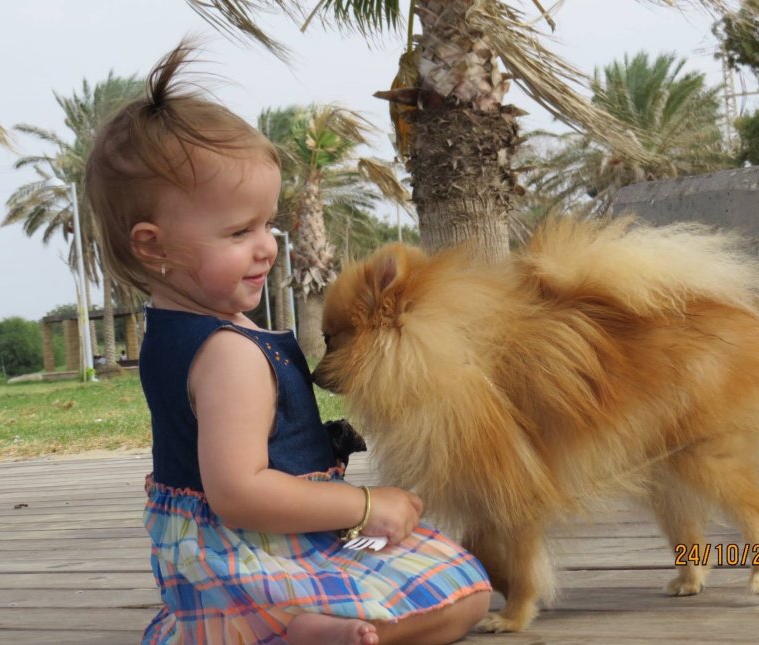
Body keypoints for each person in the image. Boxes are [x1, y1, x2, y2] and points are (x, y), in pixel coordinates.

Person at [85, 40, 491, 645]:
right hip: (255, 556)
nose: (267, 245)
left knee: (427, 556)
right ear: (154, 246)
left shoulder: (181, 333)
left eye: (268, 224)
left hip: (218, 564)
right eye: (239, 230)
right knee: (464, 590)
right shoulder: (228, 354)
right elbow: (240, 494)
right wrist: (362, 506)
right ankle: (300, 631)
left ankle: (301, 626)